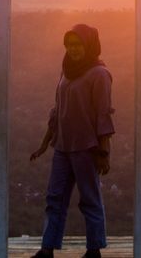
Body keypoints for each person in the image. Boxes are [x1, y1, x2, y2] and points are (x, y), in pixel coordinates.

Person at [28, 23, 115, 258]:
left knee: (89, 199)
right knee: (54, 198)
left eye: (78, 44)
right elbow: (58, 109)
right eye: (69, 44)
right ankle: (47, 249)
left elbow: (103, 114)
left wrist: (104, 152)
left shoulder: (99, 74)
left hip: (87, 148)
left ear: (89, 45)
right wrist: (45, 143)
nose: (73, 49)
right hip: (63, 147)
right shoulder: (67, 69)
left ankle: (94, 250)